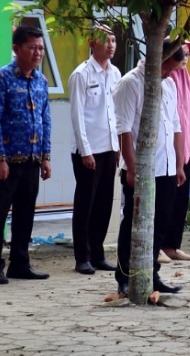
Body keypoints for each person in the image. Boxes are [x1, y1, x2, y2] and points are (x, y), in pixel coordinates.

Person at [112, 41, 186, 295]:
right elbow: (123, 130)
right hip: (141, 168)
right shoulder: (130, 83)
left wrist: (178, 163)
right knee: (133, 222)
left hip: (165, 166)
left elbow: (175, 124)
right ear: (158, 58)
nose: (168, 74)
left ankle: (151, 273)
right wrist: (132, 169)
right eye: (167, 68)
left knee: (160, 223)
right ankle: (124, 276)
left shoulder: (169, 83)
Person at [0, 26, 53, 284]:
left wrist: (46, 156)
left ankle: (20, 263)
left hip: (32, 160)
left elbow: (45, 119)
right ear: (16, 49)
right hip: (4, 162)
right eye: (32, 47)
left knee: (26, 213)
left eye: (41, 48)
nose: (37, 53)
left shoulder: (41, 81)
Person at [68, 24, 120, 275]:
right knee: (85, 204)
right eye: (105, 40)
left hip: (110, 148)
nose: (110, 45)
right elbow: (78, 116)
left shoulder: (116, 73)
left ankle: (98, 253)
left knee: (104, 204)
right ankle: (83, 257)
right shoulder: (82, 75)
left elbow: (117, 113)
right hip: (88, 151)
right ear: (92, 43)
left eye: (113, 40)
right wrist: (85, 151)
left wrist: (119, 145)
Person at [161, 41, 190, 263]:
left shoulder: (185, 78)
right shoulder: (168, 77)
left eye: (187, 55)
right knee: (166, 199)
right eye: (182, 54)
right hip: (167, 149)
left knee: (180, 200)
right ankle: (158, 245)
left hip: (183, 148)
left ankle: (172, 244)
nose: (185, 59)